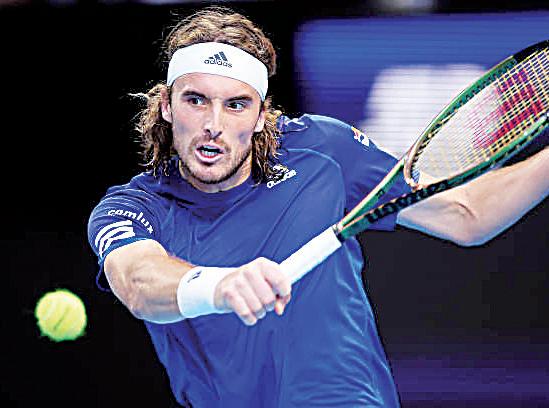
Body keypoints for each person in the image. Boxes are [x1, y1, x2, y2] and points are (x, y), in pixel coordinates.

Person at [87, 6, 549, 407]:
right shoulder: (133, 206)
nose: (213, 124)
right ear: (166, 106)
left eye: (236, 105)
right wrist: (219, 286)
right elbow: (138, 281)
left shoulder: (323, 149)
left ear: (262, 115)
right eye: (196, 100)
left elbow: (467, 213)